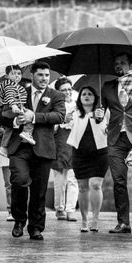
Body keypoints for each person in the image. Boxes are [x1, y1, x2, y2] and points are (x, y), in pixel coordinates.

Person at [0, 61, 66, 241]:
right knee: (18, 181)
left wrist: (33, 116)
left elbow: (59, 116)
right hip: (19, 147)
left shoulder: (55, 95)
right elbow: (3, 114)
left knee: (39, 191)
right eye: (40, 75)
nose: (44, 78)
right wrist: (14, 121)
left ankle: (35, 227)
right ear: (32, 75)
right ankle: (19, 220)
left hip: (43, 148)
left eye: (46, 76)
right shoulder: (19, 91)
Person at [101, 52, 132, 234]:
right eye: (116, 62)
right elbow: (101, 108)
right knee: (118, 180)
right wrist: (99, 114)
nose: (118, 65)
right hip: (115, 138)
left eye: (122, 63)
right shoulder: (107, 87)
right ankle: (123, 222)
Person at [67, 86, 109, 232]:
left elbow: (110, 129)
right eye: (83, 94)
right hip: (79, 154)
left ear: (95, 97)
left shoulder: (103, 111)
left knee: (95, 184)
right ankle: (84, 220)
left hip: (99, 153)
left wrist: (101, 118)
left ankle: (95, 219)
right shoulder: (74, 112)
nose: (86, 96)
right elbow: (65, 124)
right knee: (83, 187)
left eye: (90, 94)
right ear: (79, 98)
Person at [51, 77, 79, 222]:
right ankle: (59, 208)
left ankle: (71, 209)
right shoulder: (54, 105)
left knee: (73, 178)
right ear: (58, 92)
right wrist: (61, 119)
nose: (67, 92)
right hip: (59, 142)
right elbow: (49, 127)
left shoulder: (78, 105)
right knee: (60, 180)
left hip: (75, 143)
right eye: (63, 90)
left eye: (69, 89)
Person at [0, 65, 34, 155]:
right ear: (7, 76)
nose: (17, 76)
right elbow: (9, 95)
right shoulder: (9, 85)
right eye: (13, 73)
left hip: (11, 109)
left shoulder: (16, 85)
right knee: (30, 115)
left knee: (9, 128)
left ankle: (3, 146)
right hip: (10, 109)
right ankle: (27, 132)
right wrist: (13, 106)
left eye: (19, 73)